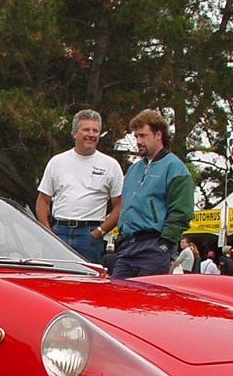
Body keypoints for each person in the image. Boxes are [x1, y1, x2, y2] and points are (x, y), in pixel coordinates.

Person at [112, 109, 194, 278]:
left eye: (143, 136)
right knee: (117, 298)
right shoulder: (134, 169)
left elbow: (182, 211)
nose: (138, 141)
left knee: (148, 301)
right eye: (136, 137)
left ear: (159, 135)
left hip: (153, 248)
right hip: (127, 247)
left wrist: (165, 244)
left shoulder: (175, 168)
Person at [36, 109, 123, 264]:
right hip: (58, 232)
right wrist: (47, 232)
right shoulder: (57, 162)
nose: (91, 134)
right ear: (75, 133)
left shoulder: (110, 165)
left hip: (89, 235)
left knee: (86, 284)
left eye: (95, 131)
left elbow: (120, 206)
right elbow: (43, 200)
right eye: (86, 130)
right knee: (56, 282)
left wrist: (99, 232)